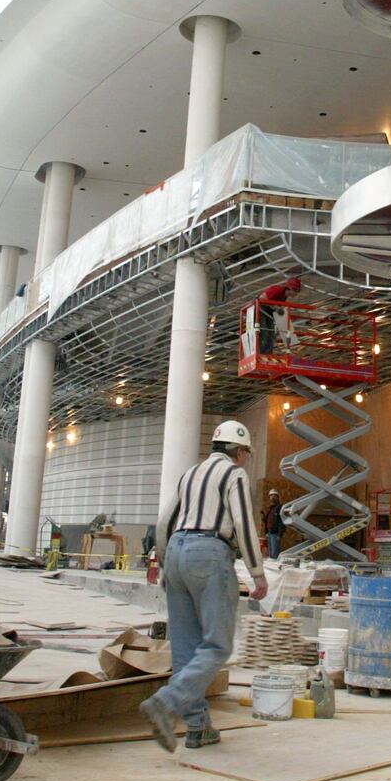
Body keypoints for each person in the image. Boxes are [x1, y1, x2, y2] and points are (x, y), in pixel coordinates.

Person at [142, 420, 268, 752]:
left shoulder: (190, 475)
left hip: (176, 553)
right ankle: (166, 703)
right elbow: (242, 522)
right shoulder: (234, 475)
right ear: (239, 452)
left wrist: (163, 562)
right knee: (217, 645)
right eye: (246, 454)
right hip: (209, 553)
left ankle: (198, 727)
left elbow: (165, 522)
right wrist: (257, 572)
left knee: (186, 647)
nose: (246, 460)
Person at [256, 276, 302, 355]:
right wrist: (275, 307)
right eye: (296, 291)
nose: (296, 294)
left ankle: (267, 354)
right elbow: (261, 299)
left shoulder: (284, 296)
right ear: (291, 289)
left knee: (272, 335)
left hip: (268, 313)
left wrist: (277, 308)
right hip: (260, 310)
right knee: (265, 333)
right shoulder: (277, 289)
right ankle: (260, 354)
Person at [262, 489, 285, 559]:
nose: (272, 497)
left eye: (273, 496)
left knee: (275, 553)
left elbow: (281, 521)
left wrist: (280, 534)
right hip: (269, 532)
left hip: (275, 534)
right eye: (270, 496)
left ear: (277, 497)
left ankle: (275, 567)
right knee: (271, 552)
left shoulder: (280, 507)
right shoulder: (271, 508)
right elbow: (268, 520)